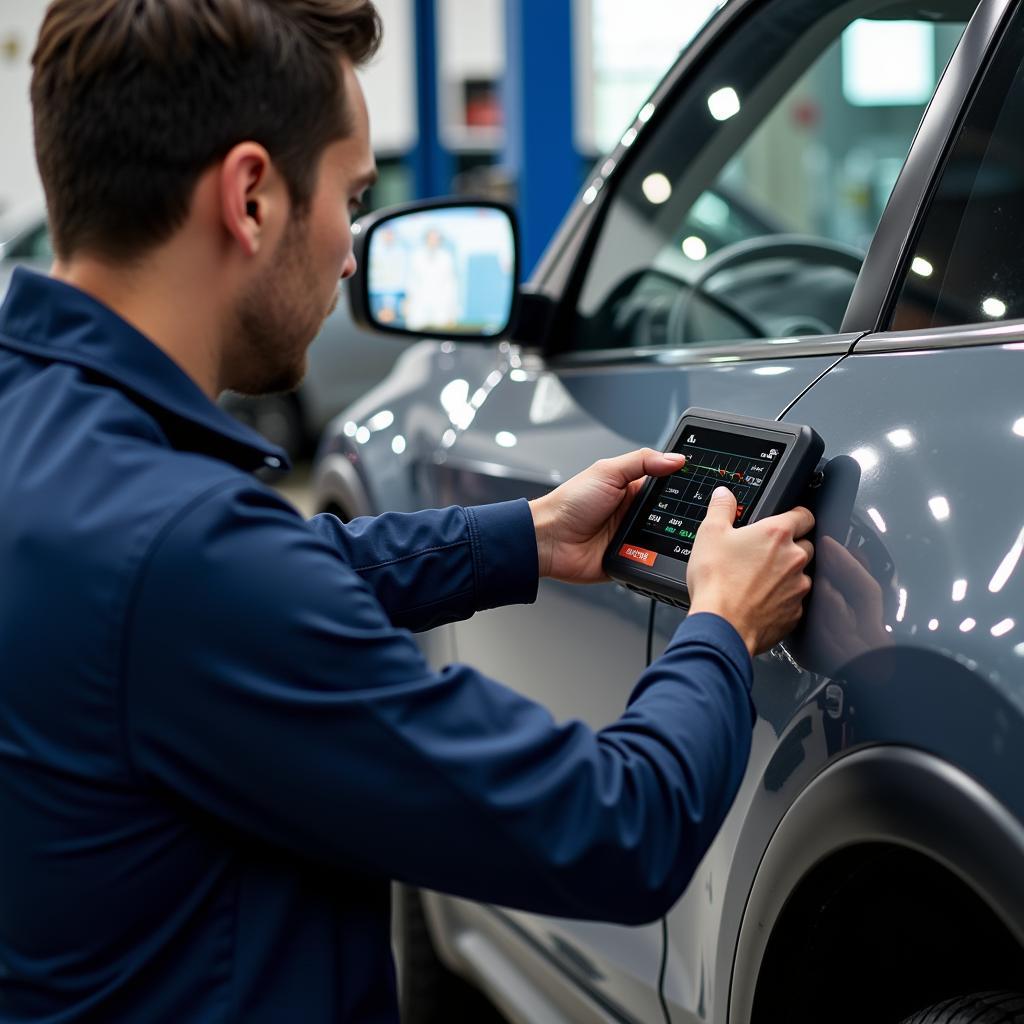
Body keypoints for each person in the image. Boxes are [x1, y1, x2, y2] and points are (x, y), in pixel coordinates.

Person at [0, 1, 814, 1021]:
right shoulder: (183, 553)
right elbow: (615, 831)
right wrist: (719, 630)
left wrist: (522, 536)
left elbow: (256, 583)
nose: (351, 253)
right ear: (250, 197)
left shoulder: (43, 433)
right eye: (352, 197)